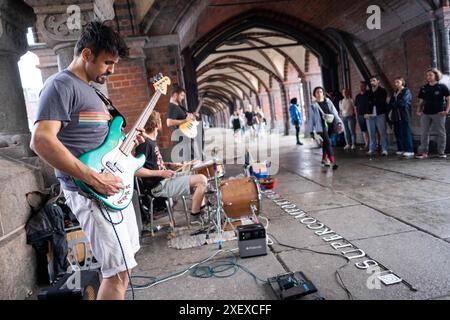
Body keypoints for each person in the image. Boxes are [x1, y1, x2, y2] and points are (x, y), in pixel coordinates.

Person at [31, 21, 142, 300]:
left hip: (110, 187)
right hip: (91, 192)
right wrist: (95, 179)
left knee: (123, 272)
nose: (112, 70)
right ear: (87, 54)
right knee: (115, 275)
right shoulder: (60, 85)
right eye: (107, 62)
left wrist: (125, 147)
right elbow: (42, 140)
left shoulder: (92, 91)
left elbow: (96, 143)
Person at [135, 111, 207, 217]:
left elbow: (153, 163)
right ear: (157, 124)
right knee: (201, 180)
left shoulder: (151, 142)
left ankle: (201, 211)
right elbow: (136, 170)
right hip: (158, 186)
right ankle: (195, 216)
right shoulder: (145, 144)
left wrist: (170, 165)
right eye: (160, 120)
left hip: (165, 180)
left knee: (194, 171)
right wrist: (161, 173)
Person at [416, 68, 450, 159]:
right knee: (424, 133)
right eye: (427, 75)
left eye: (430, 75)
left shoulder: (442, 87)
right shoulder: (424, 88)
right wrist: (418, 110)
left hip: (439, 113)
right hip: (426, 113)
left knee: (441, 133)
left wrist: (447, 111)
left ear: (436, 76)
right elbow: (421, 101)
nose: (428, 77)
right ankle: (424, 153)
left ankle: (441, 152)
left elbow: (448, 99)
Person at [307, 87, 344, 170]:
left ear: (323, 93)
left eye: (320, 92)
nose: (319, 93)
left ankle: (324, 159)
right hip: (320, 126)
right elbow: (311, 119)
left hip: (330, 124)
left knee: (326, 143)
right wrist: (311, 131)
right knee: (328, 142)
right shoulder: (313, 106)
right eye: (317, 92)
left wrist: (338, 122)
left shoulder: (328, 101)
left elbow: (334, 112)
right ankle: (332, 162)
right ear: (314, 94)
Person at [166, 85, 198, 161]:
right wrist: (185, 120)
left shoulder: (178, 106)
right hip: (182, 138)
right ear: (175, 95)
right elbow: (169, 122)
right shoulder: (172, 106)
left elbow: (185, 118)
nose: (183, 98)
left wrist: (192, 116)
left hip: (186, 136)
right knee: (188, 161)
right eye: (182, 95)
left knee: (191, 160)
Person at [387, 77, 414, 158]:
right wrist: (393, 103)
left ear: (402, 82)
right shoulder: (395, 92)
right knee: (397, 132)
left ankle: (409, 150)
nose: (396, 84)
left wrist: (393, 104)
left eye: (398, 82)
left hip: (404, 115)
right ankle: (401, 149)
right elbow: (390, 103)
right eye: (395, 82)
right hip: (396, 115)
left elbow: (403, 102)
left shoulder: (406, 91)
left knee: (406, 132)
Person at [364, 75, 389, 156]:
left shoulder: (383, 91)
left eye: (374, 80)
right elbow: (365, 104)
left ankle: (384, 149)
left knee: (382, 133)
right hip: (370, 115)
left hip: (380, 114)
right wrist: (365, 113)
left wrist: (372, 101)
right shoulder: (368, 92)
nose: (372, 82)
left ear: (378, 81)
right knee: (371, 133)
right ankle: (372, 149)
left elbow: (381, 102)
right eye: (371, 81)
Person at [354, 81, 370, 150]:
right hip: (360, 115)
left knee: (371, 130)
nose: (361, 87)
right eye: (360, 86)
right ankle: (367, 144)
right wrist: (357, 115)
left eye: (362, 86)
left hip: (368, 115)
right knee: (364, 130)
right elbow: (355, 106)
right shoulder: (357, 96)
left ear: (365, 86)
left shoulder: (369, 94)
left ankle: (376, 144)